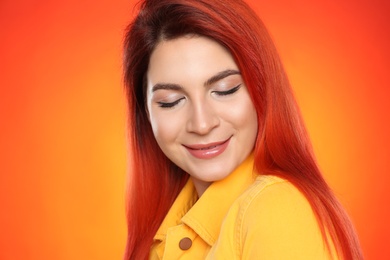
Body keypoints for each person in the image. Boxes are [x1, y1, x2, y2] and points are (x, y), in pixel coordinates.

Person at [122, 0, 363, 259]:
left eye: (225, 90)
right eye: (171, 101)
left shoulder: (276, 210)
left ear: (261, 87)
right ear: (145, 111)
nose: (202, 124)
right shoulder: (164, 228)